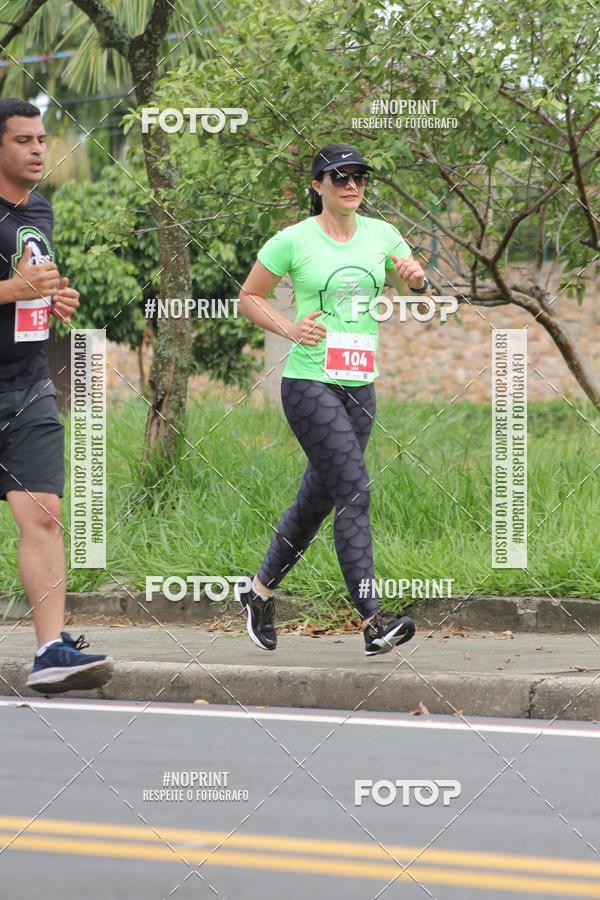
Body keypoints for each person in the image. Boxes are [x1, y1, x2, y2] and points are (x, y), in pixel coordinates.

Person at [236, 142, 430, 656]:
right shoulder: (292, 241)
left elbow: (409, 277)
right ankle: (373, 618)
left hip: (360, 385)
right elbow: (248, 298)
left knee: (317, 500)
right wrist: (289, 326)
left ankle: (258, 594)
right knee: (355, 490)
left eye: (359, 177)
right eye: (338, 177)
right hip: (308, 384)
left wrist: (413, 278)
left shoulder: (382, 234)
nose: (351, 185)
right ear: (317, 186)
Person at [0, 98, 113, 693]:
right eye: (23, 140)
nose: (39, 149)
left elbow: (32, 285)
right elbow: (14, 285)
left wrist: (52, 301)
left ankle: (49, 651)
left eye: (42, 138)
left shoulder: (38, 209)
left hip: (25, 386)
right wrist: (14, 288)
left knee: (43, 511)